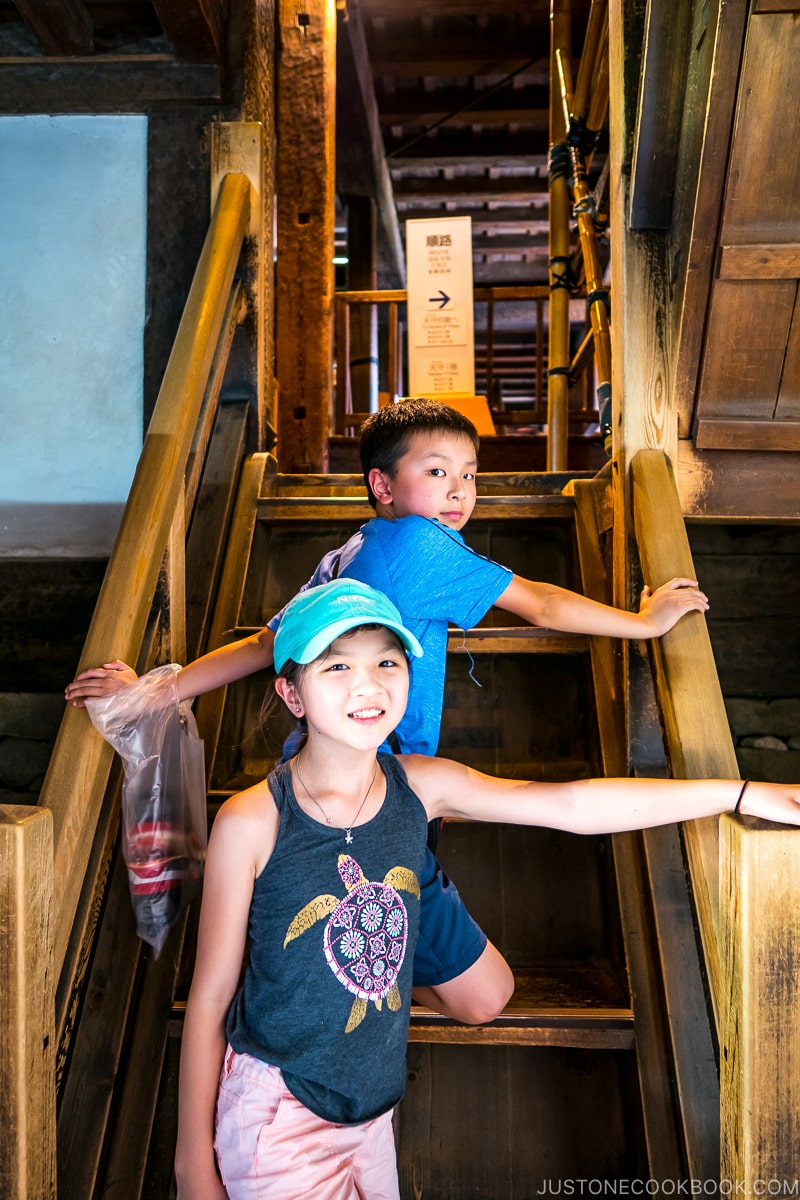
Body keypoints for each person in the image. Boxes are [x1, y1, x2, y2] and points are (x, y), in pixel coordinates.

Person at [66, 399, 709, 1025]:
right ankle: (305, 995)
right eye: (437, 472)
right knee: (483, 999)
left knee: (469, 985)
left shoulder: (348, 555)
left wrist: (157, 689)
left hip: (334, 772)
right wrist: (645, 624)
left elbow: (270, 644)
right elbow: (538, 602)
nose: (459, 490)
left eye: (469, 475)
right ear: (382, 484)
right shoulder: (419, 546)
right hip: (377, 789)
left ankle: (322, 982)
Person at [174, 578, 800, 1200]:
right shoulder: (253, 820)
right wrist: (191, 1167)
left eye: (387, 662)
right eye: (337, 666)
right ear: (292, 692)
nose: (368, 685)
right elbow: (211, 997)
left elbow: (571, 804)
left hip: (371, 1113)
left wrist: (738, 792)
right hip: (281, 1114)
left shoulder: (418, 785)